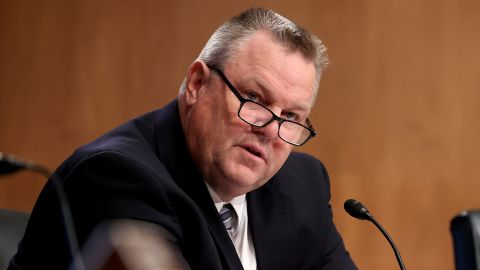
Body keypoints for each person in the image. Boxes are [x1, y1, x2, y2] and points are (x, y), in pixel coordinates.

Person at [9, 8, 357, 270]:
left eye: (291, 117)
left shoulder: (303, 184)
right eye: (254, 99)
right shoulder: (116, 177)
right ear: (196, 84)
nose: (269, 128)